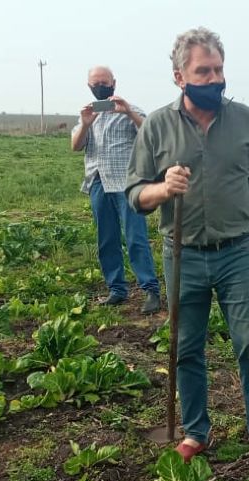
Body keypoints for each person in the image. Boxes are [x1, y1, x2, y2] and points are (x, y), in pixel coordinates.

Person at [125, 27, 249, 474]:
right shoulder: (157, 125)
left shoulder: (246, 120)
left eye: (218, 69)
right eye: (203, 71)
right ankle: (196, 431)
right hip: (183, 252)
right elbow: (134, 195)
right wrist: (161, 188)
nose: (214, 78)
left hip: (237, 251)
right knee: (186, 346)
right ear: (180, 77)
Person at [72, 66, 161, 315]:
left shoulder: (130, 109)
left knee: (136, 238)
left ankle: (150, 290)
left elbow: (152, 135)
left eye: (104, 82)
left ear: (114, 83)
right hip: (97, 181)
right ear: (89, 86)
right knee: (107, 239)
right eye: (95, 83)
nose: (100, 86)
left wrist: (129, 112)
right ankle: (117, 289)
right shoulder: (88, 114)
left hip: (127, 183)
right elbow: (75, 146)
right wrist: (86, 124)